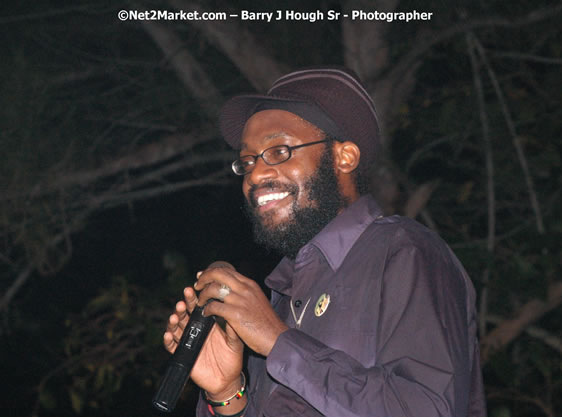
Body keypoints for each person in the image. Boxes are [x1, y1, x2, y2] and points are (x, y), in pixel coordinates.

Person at [163, 67, 487, 417]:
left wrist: (278, 342)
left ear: (343, 157)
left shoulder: (404, 251)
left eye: (279, 151)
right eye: (247, 161)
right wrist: (228, 394)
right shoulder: (277, 300)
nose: (255, 174)